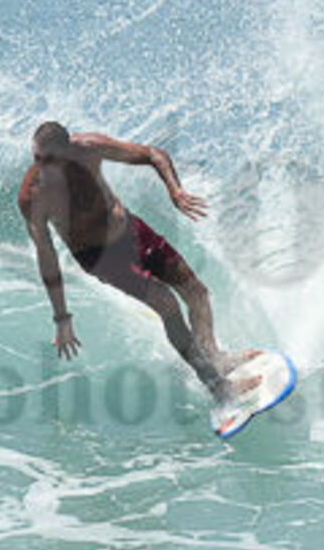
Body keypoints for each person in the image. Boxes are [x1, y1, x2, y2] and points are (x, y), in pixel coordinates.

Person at [18, 121, 259, 401]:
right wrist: (62, 318)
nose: (41, 166)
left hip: (132, 232)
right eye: (37, 158)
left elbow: (152, 154)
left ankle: (215, 357)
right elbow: (47, 257)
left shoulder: (90, 148)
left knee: (197, 292)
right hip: (99, 257)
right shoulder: (33, 196)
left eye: (49, 159)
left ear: (68, 149)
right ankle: (217, 386)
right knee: (167, 303)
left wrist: (175, 190)